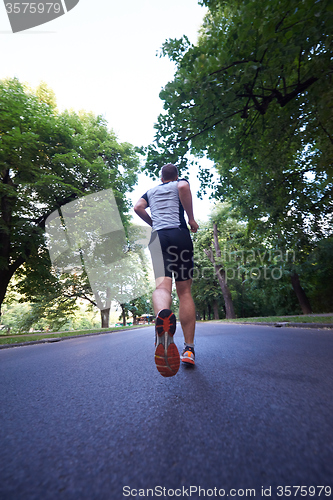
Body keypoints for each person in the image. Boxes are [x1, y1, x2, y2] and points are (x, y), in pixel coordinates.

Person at [134, 163, 199, 378]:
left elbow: (137, 207)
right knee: (185, 292)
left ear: (161, 177)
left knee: (162, 286)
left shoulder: (150, 191)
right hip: (179, 235)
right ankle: (188, 349)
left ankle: (162, 320)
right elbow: (182, 189)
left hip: (158, 238)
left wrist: (153, 223)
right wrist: (190, 218)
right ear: (176, 175)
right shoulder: (180, 183)